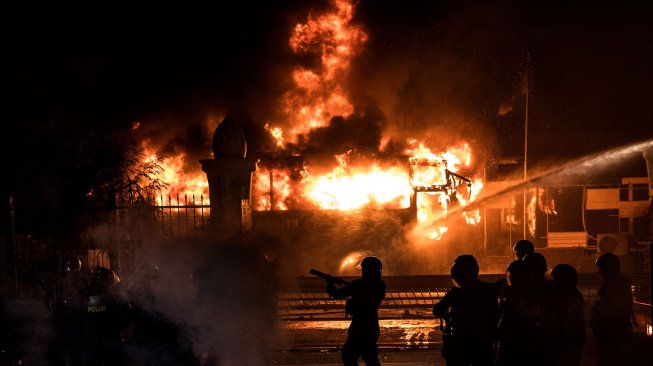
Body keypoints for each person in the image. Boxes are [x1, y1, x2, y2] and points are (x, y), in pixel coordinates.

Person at [433, 255, 498, 366]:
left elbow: (437, 310)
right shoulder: (488, 290)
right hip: (483, 342)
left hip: (461, 343)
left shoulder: (457, 292)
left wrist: (447, 318)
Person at [325, 256, 386, 366]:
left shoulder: (359, 285)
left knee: (349, 357)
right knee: (368, 357)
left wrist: (330, 284)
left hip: (360, 327)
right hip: (371, 327)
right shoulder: (380, 285)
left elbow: (337, 294)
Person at [78, 267, 132, 366]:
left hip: (90, 342)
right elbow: (128, 316)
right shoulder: (115, 295)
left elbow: (76, 318)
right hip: (111, 341)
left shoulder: (82, 294)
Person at [590, 253, 634, 366]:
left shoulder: (618, 284)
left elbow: (613, 308)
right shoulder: (614, 283)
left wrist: (599, 310)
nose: (599, 272)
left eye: (601, 268)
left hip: (613, 331)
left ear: (609, 268)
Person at [47, 255, 86, 366]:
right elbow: (53, 303)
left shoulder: (80, 283)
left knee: (73, 353)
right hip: (66, 322)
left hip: (73, 323)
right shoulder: (60, 284)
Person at [550, 264, 585, 366]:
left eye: (556, 279)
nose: (554, 282)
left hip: (567, 345)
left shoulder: (571, 298)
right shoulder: (572, 295)